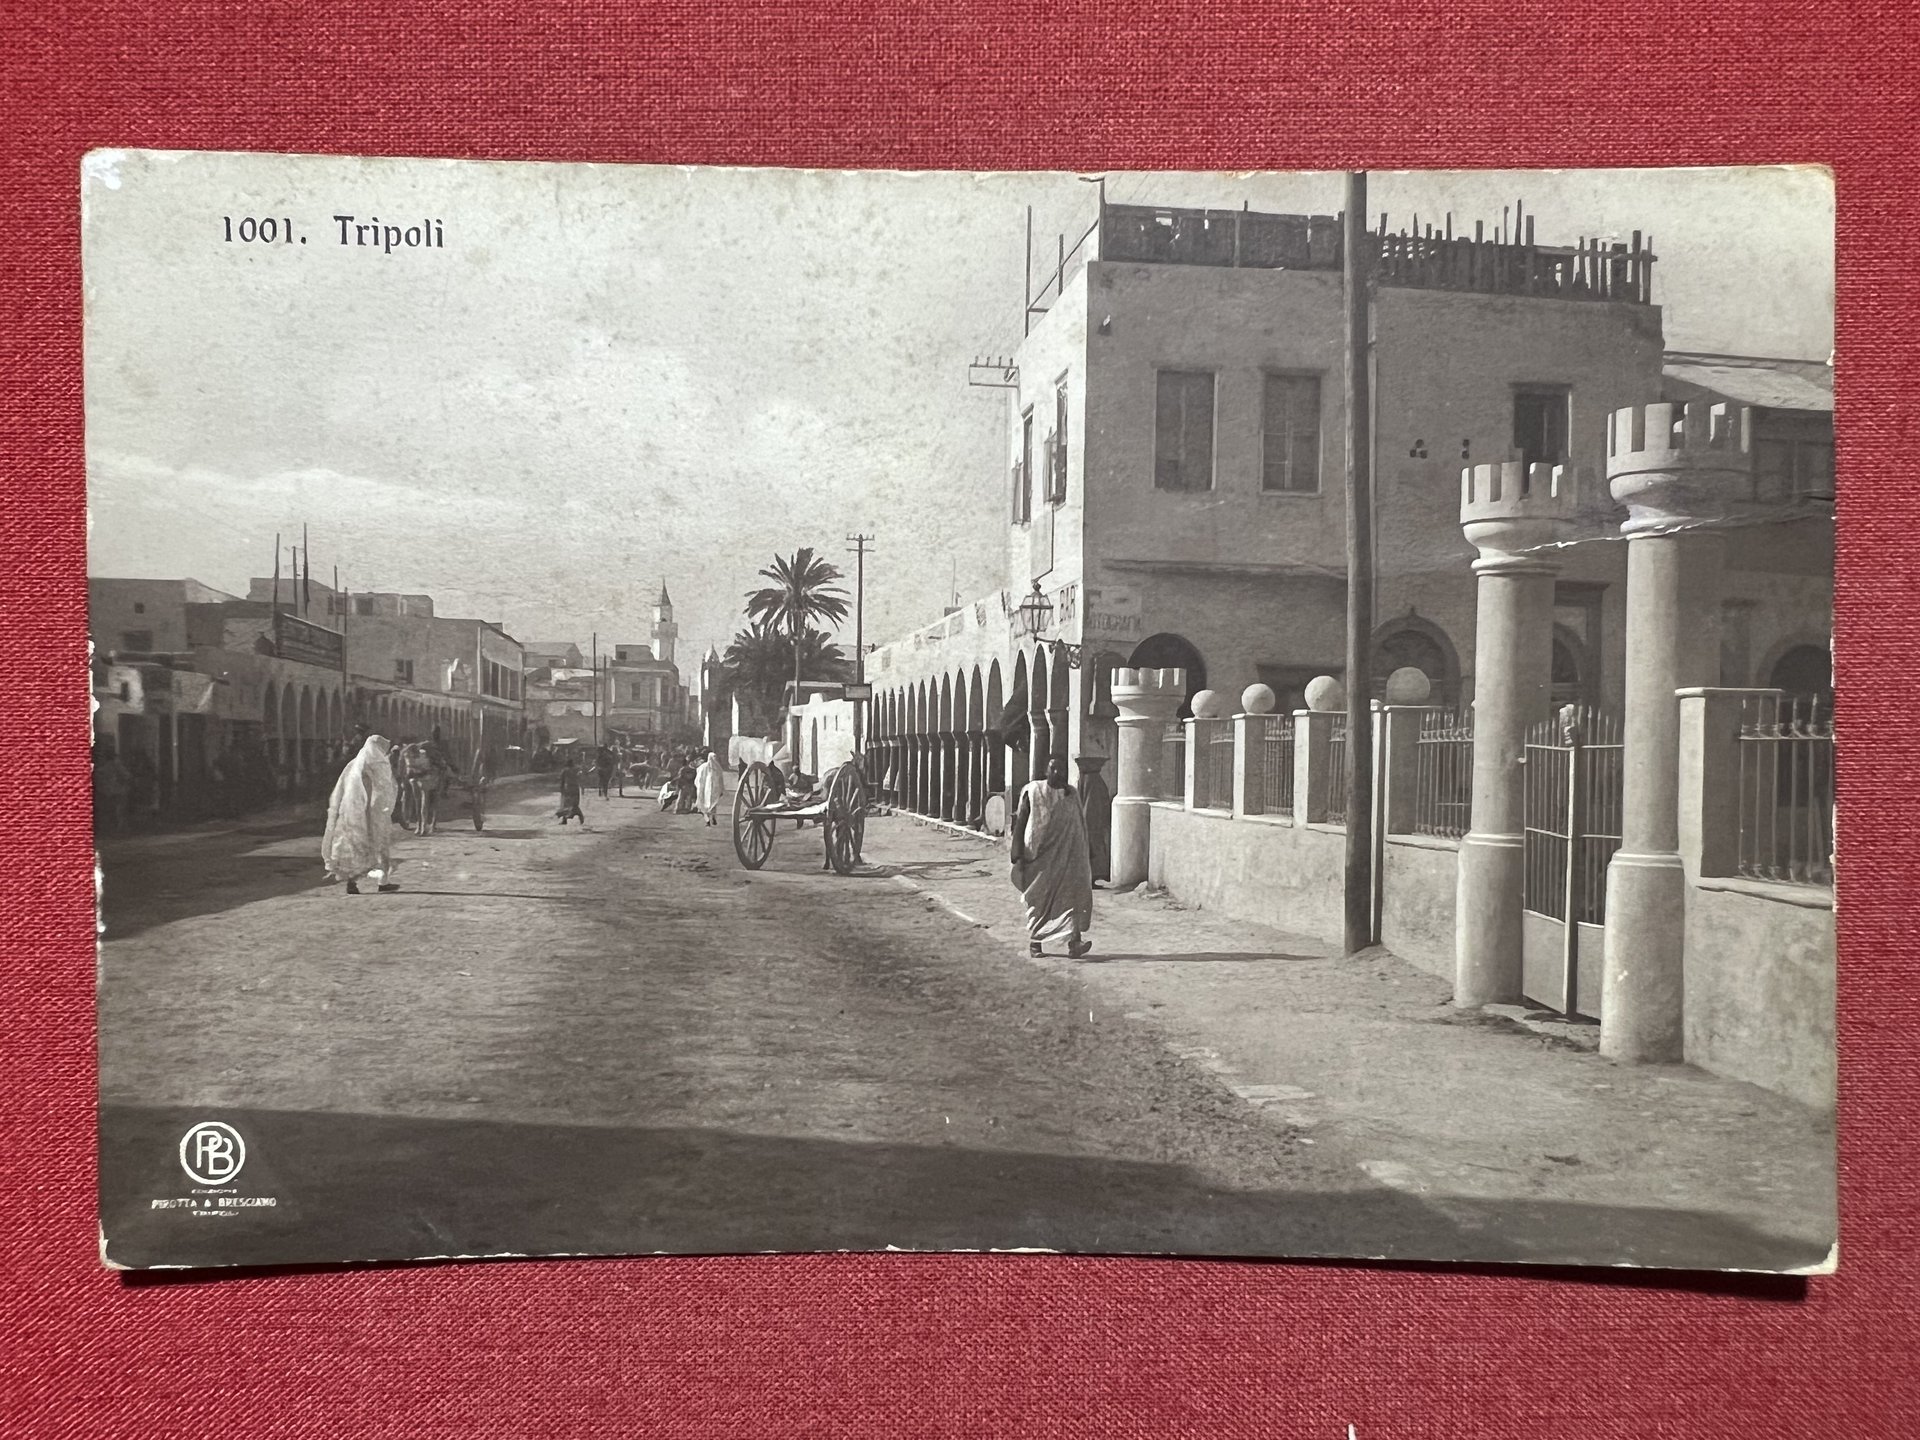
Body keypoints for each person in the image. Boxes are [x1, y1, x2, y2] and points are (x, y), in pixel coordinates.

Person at [1009, 755, 1095, 959]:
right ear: (1045, 771)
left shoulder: (1071, 794)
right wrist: (1017, 855)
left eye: (1061, 769)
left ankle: (1074, 943)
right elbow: (1021, 823)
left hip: (1068, 858)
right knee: (1039, 902)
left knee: (1071, 900)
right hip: (1039, 859)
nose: (1058, 773)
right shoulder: (1033, 791)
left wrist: (1086, 851)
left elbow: (1079, 826)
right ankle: (1035, 943)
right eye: (1053, 768)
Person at [322, 734, 401, 894]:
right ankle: (383, 882)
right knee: (380, 846)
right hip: (374, 813)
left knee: (355, 848)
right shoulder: (378, 765)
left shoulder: (354, 764)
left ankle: (352, 882)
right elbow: (385, 789)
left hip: (354, 814)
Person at [694, 748, 726, 827]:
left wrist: (721, 789)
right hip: (707, 789)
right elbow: (699, 778)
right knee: (708, 804)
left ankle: (711, 818)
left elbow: (720, 779)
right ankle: (709, 820)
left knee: (711, 804)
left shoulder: (716, 768)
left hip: (713, 789)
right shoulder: (705, 767)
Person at [556, 759, 585, 826]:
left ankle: (565, 819)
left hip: (568, 789)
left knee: (565, 804)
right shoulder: (576, 770)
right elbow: (581, 778)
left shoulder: (565, 771)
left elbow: (562, 780)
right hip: (575, 788)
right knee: (574, 804)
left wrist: (561, 789)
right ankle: (580, 817)